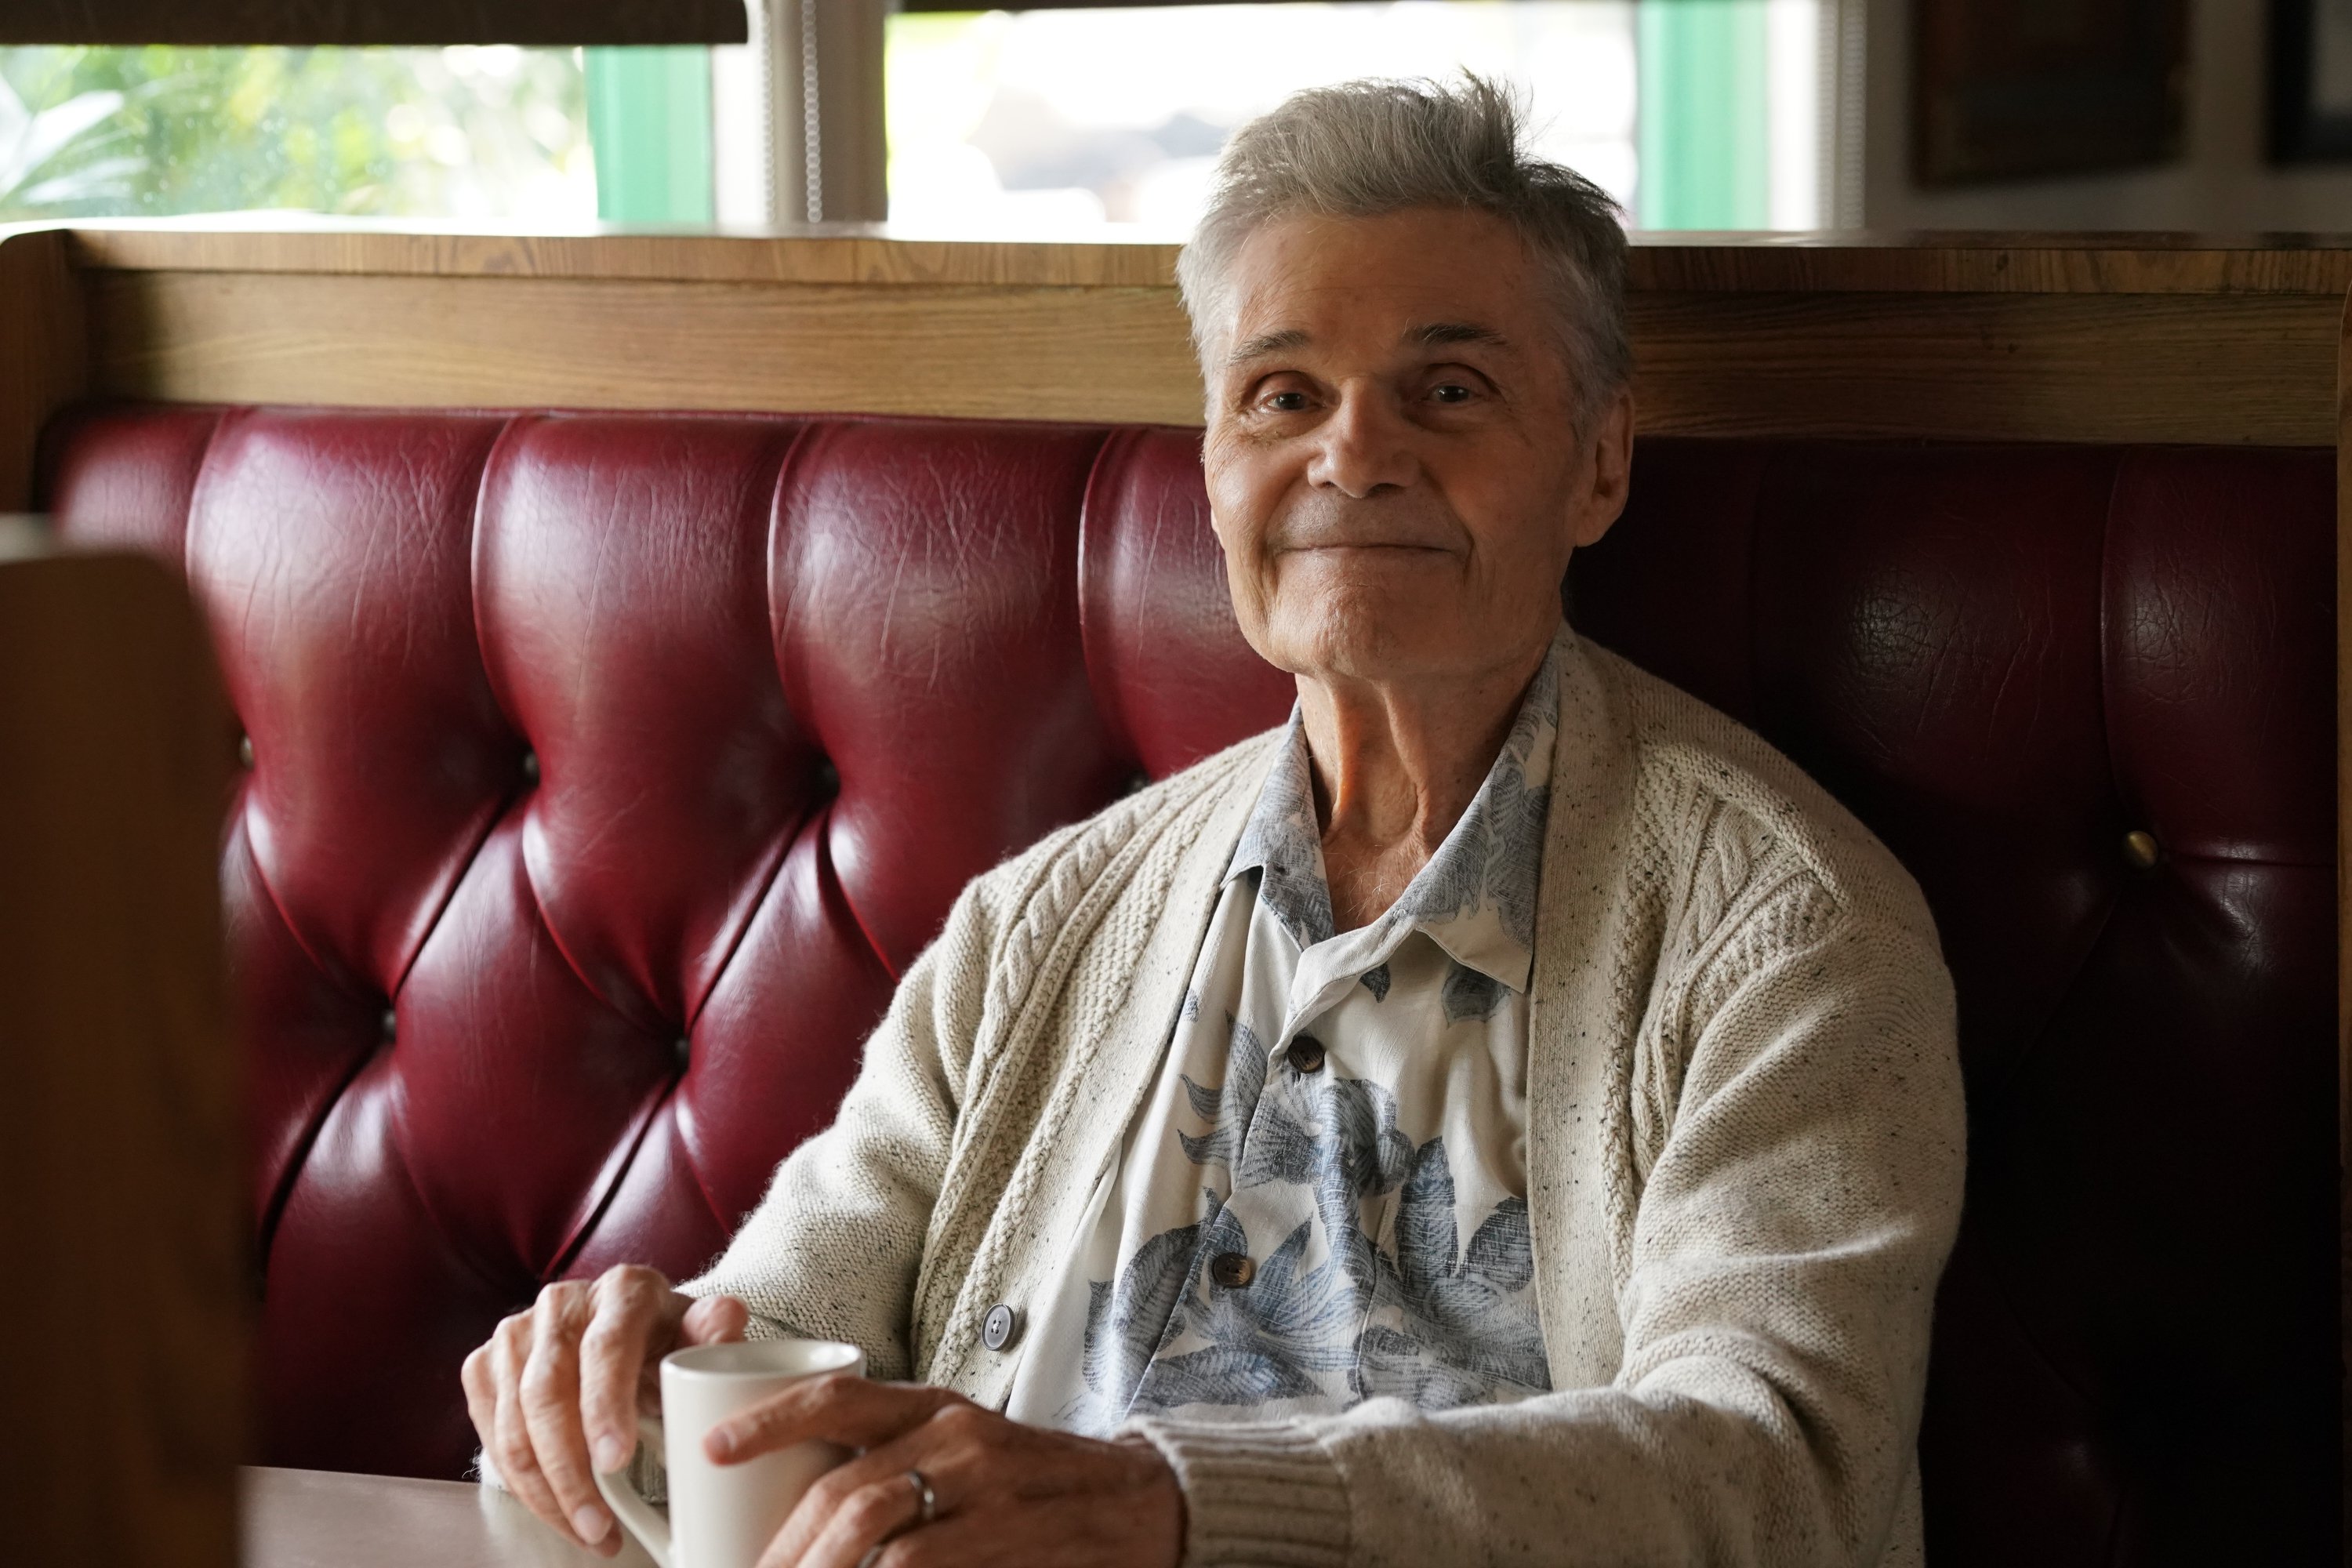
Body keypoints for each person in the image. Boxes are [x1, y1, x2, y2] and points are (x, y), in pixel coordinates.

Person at [463, 74, 1964, 1568]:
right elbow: (778, 1336)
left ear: (1600, 463)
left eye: (1449, 391)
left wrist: (1171, 1510)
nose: (1353, 455)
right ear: (1215, 469)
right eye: (1283, 395)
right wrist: (619, 1380)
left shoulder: (1787, 933)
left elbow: (1780, 1470)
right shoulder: (1043, 925)